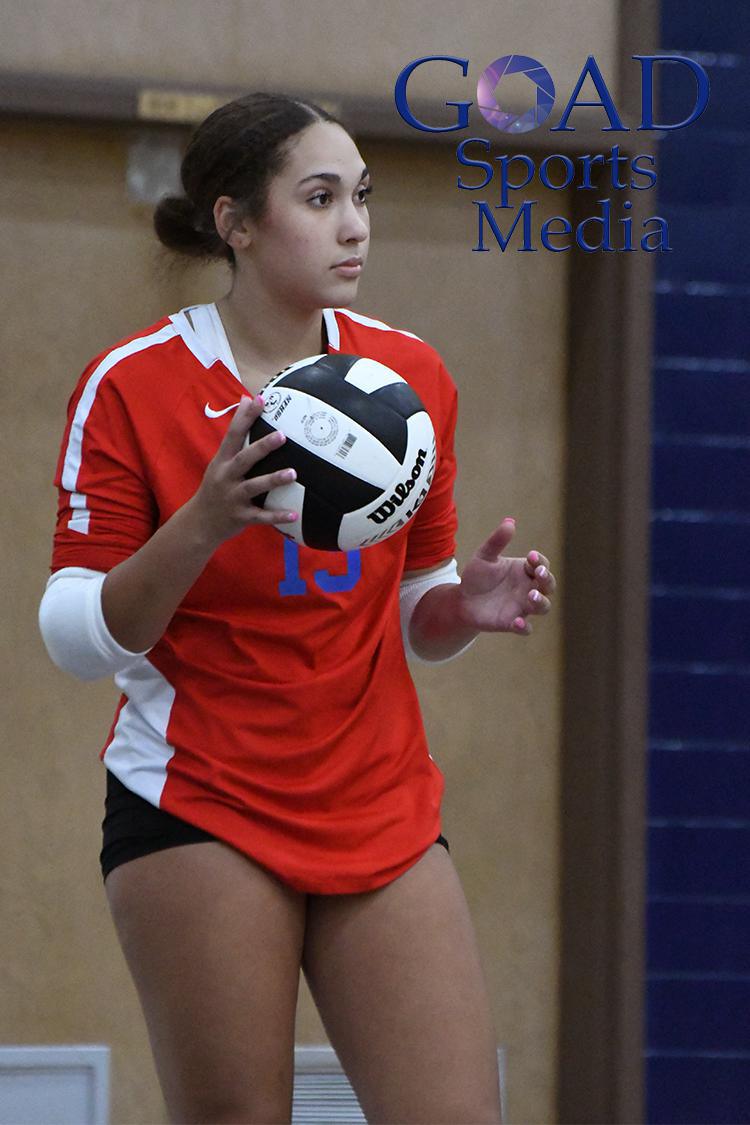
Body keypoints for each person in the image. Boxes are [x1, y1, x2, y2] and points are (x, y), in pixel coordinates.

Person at [38, 92, 556, 1125]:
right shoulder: (133, 385)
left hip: (378, 796)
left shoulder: (408, 378)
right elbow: (75, 638)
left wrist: (461, 606)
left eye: (360, 195)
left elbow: (415, 609)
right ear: (235, 221)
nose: (355, 223)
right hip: (201, 800)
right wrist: (205, 520)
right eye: (319, 198)